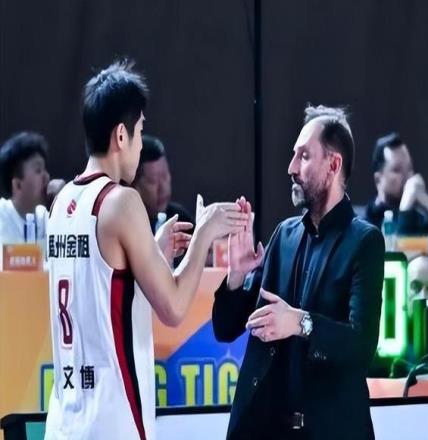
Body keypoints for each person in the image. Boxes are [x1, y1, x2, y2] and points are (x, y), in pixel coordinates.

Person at [45, 60, 248, 440]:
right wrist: (204, 233)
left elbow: (105, 289)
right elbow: (173, 308)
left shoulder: (61, 203)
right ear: (121, 135)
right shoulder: (121, 202)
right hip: (111, 421)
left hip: (64, 421)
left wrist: (151, 251)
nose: (140, 144)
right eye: (139, 131)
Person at [212, 105, 385, 440]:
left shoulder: (364, 241)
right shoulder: (284, 235)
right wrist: (236, 276)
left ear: (333, 165)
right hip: (270, 431)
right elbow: (226, 328)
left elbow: (362, 346)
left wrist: (301, 323)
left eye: (304, 156)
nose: (291, 168)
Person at [364, 132, 428, 262]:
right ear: (378, 180)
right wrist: (405, 210)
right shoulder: (367, 225)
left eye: (409, 169)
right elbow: (397, 261)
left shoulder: (420, 219)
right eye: (397, 170)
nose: (407, 177)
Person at [0, 131, 64, 245]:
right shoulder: (2, 214)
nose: (46, 176)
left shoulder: (46, 217)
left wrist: (63, 201)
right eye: (38, 170)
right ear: (18, 184)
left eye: (45, 169)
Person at [133, 134, 194, 234]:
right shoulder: (125, 227)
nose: (163, 188)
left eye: (165, 176)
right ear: (134, 185)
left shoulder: (181, 219)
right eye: (153, 181)